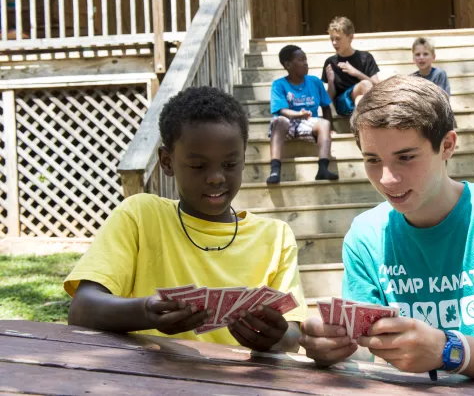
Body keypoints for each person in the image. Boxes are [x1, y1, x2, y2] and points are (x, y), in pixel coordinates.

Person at [298, 75, 474, 383]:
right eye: (372, 160)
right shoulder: (365, 235)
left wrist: (447, 350)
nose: (387, 178)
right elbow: (368, 349)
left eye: (406, 157)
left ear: (447, 145)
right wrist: (331, 347)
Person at [64, 86, 308, 352]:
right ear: (167, 162)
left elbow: (292, 335)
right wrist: (145, 312)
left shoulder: (275, 236)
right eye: (198, 166)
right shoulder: (140, 216)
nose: (216, 177)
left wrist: (276, 338)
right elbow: (82, 308)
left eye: (230, 164)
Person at [267, 45, 338, 184]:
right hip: (287, 121)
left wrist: (331, 127)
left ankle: (323, 168)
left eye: (305, 59)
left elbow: (326, 107)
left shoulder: (315, 82)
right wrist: (298, 114)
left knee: (324, 123)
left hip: (308, 122)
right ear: (288, 64)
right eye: (300, 60)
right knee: (279, 121)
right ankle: (275, 170)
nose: (306, 63)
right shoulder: (279, 84)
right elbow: (282, 110)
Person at [321, 17, 380, 117]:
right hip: (343, 104)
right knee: (365, 85)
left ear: (350, 37)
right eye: (332, 39)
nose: (334, 43)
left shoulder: (366, 58)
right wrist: (331, 82)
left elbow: (378, 86)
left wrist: (356, 73)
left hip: (363, 102)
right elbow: (329, 98)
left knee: (360, 97)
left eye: (338, 38)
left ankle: (363, 121)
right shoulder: (331, 62)